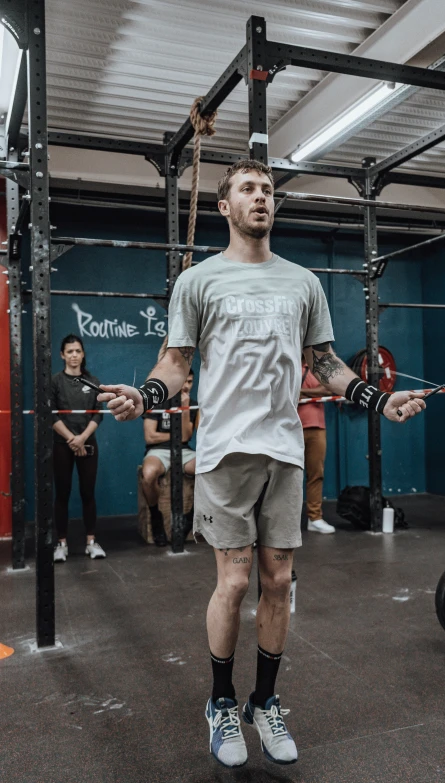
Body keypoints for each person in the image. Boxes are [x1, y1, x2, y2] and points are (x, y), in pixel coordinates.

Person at [98, 160, 426, 769]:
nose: (261, 197)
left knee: (278, 581)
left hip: (285, 449)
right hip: (223, 452)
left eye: (268, 190)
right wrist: (142, 397)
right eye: (248, 189)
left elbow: (325, 365)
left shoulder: (303, 283)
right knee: (235, 581)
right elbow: (174, 365)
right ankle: (221, 702)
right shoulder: (198, 282)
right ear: (224, 206)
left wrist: (380, 399)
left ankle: (264, 701)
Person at [52, 334, 106, 562]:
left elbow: (97, 414)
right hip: (62, 445)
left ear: (83, 354)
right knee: (62, 494)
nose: (74, 355)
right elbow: (51, 414)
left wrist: (82, 438)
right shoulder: (55, 382)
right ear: (62, 355)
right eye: (70, 351)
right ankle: (61, 543)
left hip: (87, 443)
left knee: (88, 493)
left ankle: (91, 542)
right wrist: (72, 440)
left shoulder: (92, 381)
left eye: (78, 351)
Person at [142, 368, 197, 546]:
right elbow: (150, 436)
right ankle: (155, 516)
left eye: (190, 382)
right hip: (159, 450)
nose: (186, 386)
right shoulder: (158, 402)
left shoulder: (193, 404)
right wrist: (176, 436)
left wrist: (185, 408)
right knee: (149, 474)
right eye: (184, 381)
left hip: (184, 451)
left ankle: (191, 516)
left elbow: (186, 437)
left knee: (209, 470)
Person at [298, 358, 335, 534]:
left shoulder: (318, 367)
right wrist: (314, 393)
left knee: (316, 474)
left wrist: (301, 392)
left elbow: (328, 389)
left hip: (317, 427)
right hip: (291, 428)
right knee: (285, 477)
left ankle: (315, 518)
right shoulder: (287, 363)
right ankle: (283, 522)